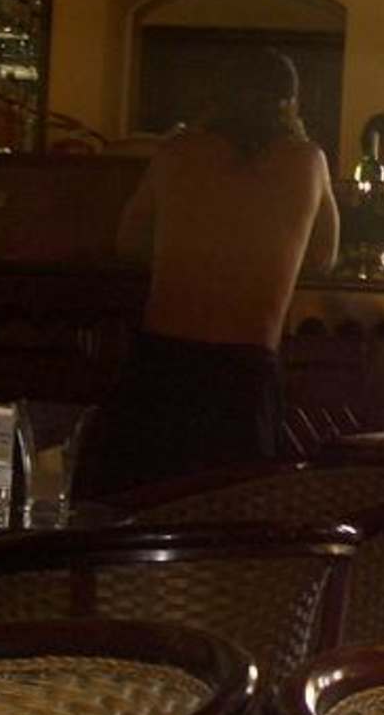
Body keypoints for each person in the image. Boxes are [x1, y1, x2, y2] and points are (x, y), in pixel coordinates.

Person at [86, 48, 337, 490]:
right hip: (246, 373)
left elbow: (129, 243)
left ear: (216, 99)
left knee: (140, 507)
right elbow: (323, 258)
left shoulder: (177, 152)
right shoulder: (308, 161)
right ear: (292, 103)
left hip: (164, 365)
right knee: (232, 515)